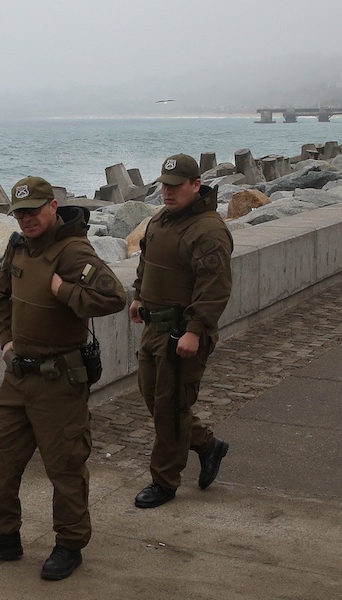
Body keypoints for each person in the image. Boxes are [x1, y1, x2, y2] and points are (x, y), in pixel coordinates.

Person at [0, 176, 127, 581]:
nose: (26, 218)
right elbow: (1, 297)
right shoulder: (18, 246)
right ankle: (3, 536)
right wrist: (5, 339)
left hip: (59, 381)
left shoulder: (72, 250)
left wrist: (64, 291)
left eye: (34, 209)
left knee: (65, 467)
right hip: (17, 377)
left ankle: (69, 544)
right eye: (19, 212)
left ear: (53, 206)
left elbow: (114, 297)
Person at [130, 153, 233, 509]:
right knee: (153, 399)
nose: (168, 193)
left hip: (181, 332)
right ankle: (206, 444)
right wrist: (138, 294)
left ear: (195, 185)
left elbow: (215, 286)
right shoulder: (162, 219)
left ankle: (164, 481)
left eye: (175, 187)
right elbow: (147, 257)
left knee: (171, 409)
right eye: (164, 186)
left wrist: (195, 330)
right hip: (154, 328)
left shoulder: (209, 230)